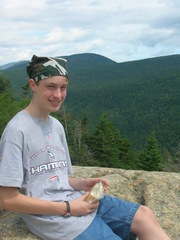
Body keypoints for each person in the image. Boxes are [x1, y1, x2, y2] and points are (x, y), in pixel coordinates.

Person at [0, 55, 171, 240]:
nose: (58, 95)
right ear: (33, 85)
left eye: (63, 87)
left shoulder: (56, 126)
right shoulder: (17, 132)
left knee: (145, 215)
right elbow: (7, 198)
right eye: (50, 86)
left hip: (78, 201)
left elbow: (52, 177)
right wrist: (67, 208)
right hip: (56, 219)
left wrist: (81, 183)